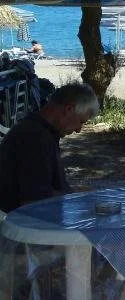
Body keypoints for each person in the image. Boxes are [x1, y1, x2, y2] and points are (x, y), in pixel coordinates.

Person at [0, 83, 100, 213]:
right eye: (81, 121)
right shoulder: (35, 138)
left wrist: (72, 191)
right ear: (69, 109)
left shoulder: (40, 130)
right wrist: (74, 195)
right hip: (21, 221)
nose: (78, 130)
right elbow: (34, 201)